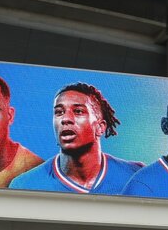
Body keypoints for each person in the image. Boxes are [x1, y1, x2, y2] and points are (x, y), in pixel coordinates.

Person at [10, 82, 142, 194]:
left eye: (78, 111)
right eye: (59, 112)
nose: (65, 119)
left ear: (100, 127)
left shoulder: (136, 175)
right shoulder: (25, 185)